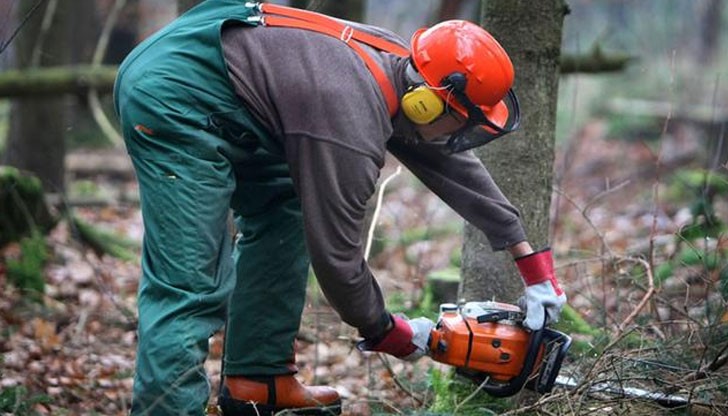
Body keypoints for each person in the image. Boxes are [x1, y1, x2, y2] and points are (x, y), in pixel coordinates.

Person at [113, 1, 567, 415]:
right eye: (461, 123)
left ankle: (259, 378)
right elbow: (336, 259)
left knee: (283, 205)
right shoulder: (347, 123)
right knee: (191, 282)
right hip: (174, 94)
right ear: (427, 103)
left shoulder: (399, 68)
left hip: (233, 92)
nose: (460, 137)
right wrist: (388, 330)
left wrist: (531, 262)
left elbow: (451, 165)